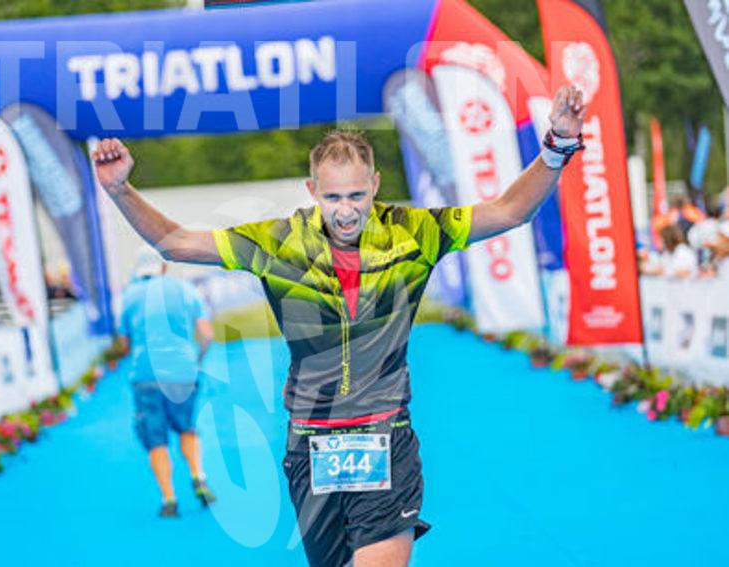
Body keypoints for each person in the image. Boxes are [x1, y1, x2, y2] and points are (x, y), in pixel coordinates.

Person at [94, 85, 587, 566]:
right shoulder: (276, 243)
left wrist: (558, 144)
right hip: (311, 446)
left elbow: (509, 211)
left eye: (356, 194)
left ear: (375, 184)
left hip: (386, 436)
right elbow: (177, 242)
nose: (346, 210)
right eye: (333, 197)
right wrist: (119, 189)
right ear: (312, 191)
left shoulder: (414, 233)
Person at [118, 252, 216, 518]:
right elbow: (207, 335)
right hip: (183, 372)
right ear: (163, 267)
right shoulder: (185, 289)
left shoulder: (130, 296)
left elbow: (124, 344)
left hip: (145, 375)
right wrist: (196, 361)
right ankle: (198, 476)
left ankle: (169, 500)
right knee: (187, 428)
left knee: (156, 439)